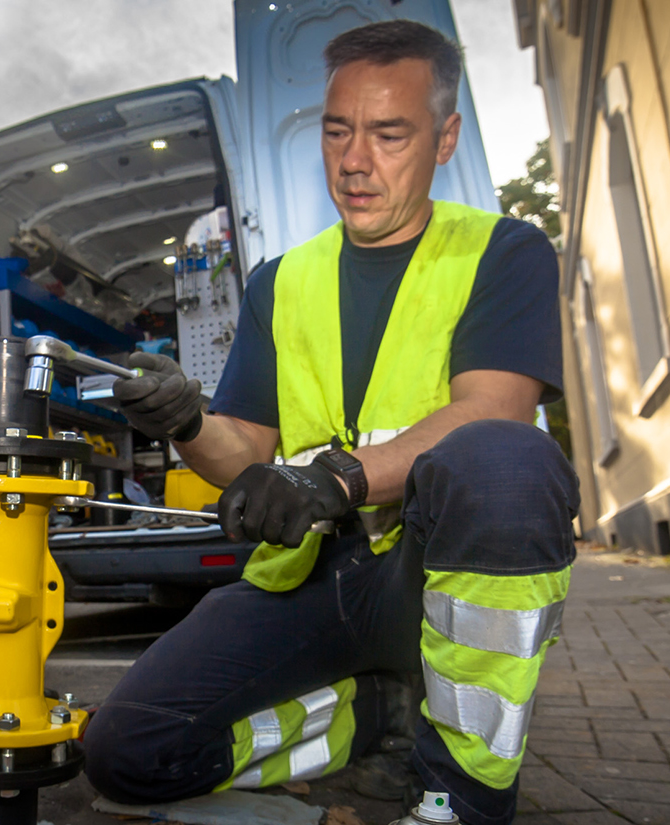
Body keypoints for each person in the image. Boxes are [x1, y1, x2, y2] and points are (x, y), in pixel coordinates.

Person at [81, 19, 576, 825]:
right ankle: (372, 715)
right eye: (338, 130)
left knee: (509, 465)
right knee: (126, 752)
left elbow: (495, 408)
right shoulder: (281, 282)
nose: (354, 160)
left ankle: (458, 795)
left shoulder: (503, 252)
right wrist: (187, 419)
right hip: (311, 573)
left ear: (446, 138)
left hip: (427, 571)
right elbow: (244, 453)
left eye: (389, 134)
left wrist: (338, 477)